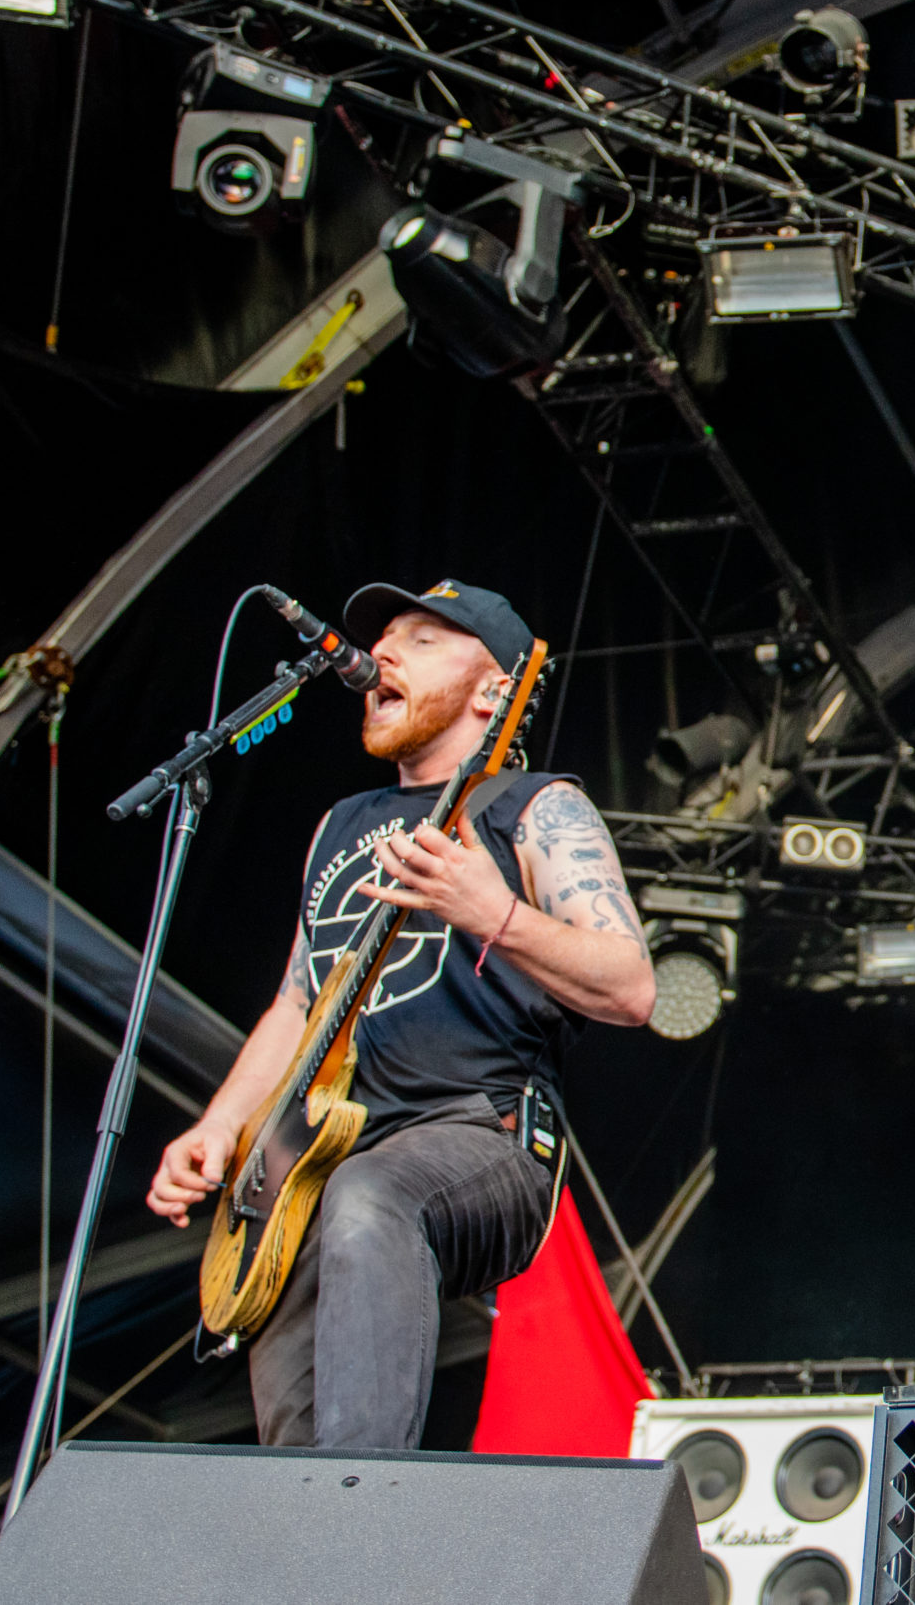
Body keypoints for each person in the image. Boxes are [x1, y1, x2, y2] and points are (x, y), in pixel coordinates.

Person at [145, 579, 657, 1446]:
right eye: (382, 638)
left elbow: (633, 986)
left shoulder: (536, 808)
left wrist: (494, 912)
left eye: (421, 640)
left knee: (370, 1194)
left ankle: (368, 1500)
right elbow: (299, 999)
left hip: (479, 1134)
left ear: (496, 688)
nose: (381, 653)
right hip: (317, 1159)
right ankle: (317, 1525)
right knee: (295, 1425)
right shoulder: (340, 824)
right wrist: (221, 1125)